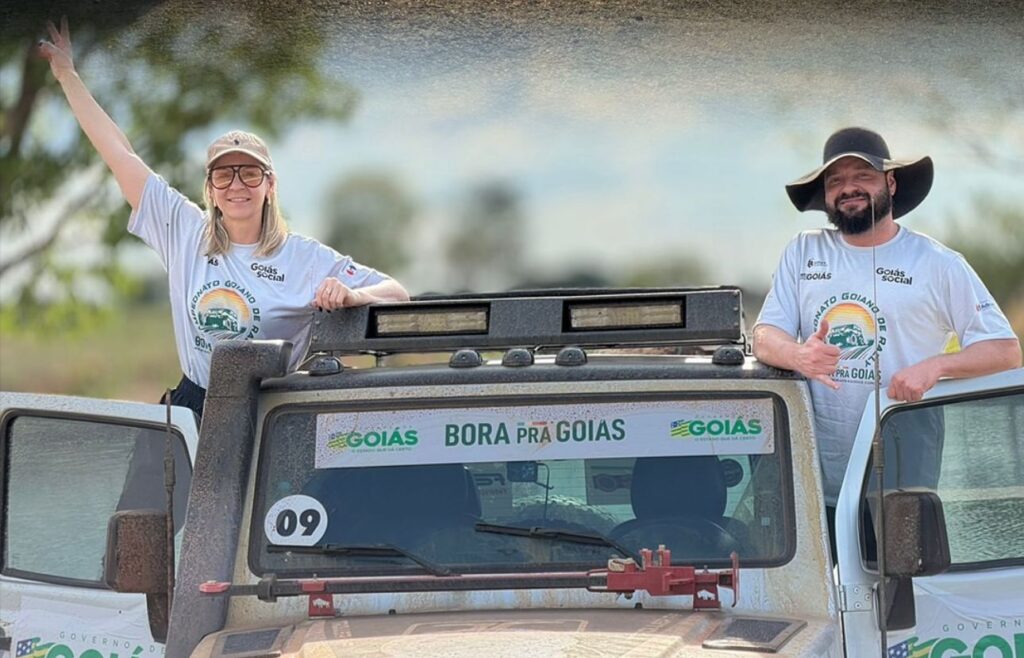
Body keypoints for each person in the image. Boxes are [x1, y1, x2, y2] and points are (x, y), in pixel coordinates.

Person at [38, 18, 409, 418]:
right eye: (223, 174)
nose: (237, 185)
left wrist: (353, 296)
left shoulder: (304, 258)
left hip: (273, 412)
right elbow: (120, 154)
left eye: (250, 173)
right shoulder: (183, 230)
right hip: (194, 404)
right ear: (210, 189)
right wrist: (67, 75)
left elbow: (397, 293)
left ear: (269, 185)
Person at [753, 126, 1021, 517]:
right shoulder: (802, 251)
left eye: (863, 176)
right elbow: (764, 336)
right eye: (836, 180)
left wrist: (936, 367)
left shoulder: (937, 263)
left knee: (898, 577)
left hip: (903, 471)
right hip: (809, 474)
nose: (849, 188)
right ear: (826, 194)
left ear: (890, 183)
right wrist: (798, 355)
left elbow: (1005, 351)